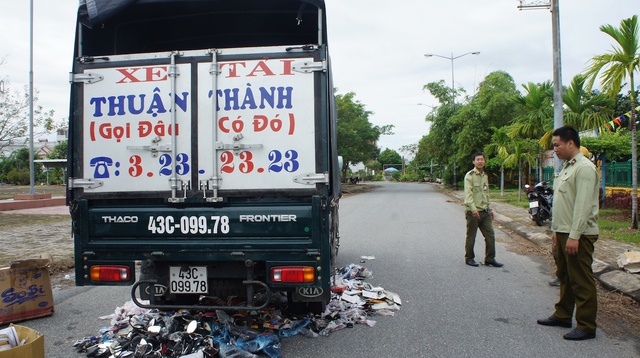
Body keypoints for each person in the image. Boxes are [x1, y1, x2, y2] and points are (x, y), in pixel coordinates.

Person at [537, 126, 599, 341]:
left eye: (557, 145)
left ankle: (586, 325)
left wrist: (575, 235)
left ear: (571, 143)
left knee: (581, 279)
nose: (555, 149)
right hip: (563, 231)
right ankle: (563, 314)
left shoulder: (584, 168)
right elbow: (562, 203)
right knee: (564, 275)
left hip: (578, 233)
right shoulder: (566, 167)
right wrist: (556, 231)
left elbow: (582, 207)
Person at [463, 152, 503, 268]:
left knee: (490, 235)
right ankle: (469, 258)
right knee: (471, 236)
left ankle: (490, 259)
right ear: (473, 162)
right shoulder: (469, 176)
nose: (480, 161)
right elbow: (468, 194)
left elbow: (486, 194)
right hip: (473, 212)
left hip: (485, 212)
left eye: (482, 159)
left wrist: (489, 208)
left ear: (484, 161)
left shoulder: (485, 176)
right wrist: (473, 209)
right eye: (478, 159)